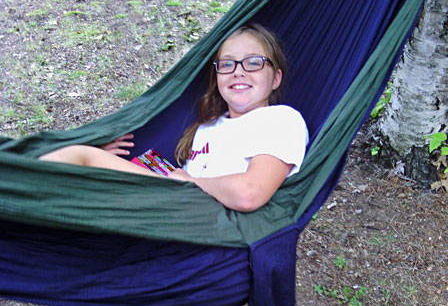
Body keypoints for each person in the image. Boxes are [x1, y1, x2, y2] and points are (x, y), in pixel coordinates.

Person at [39, 24, 308, 212]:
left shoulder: (282, 120)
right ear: (217, 77)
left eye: (253, 62)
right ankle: (21, 205)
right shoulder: (208, 126)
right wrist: (106, 157)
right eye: (227, 64)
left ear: (276, 78)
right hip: (173, 203)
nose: (238, 71)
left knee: (80, 158)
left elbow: (250, 194)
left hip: (206, 221)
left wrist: (188, 182)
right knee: (80, 157)